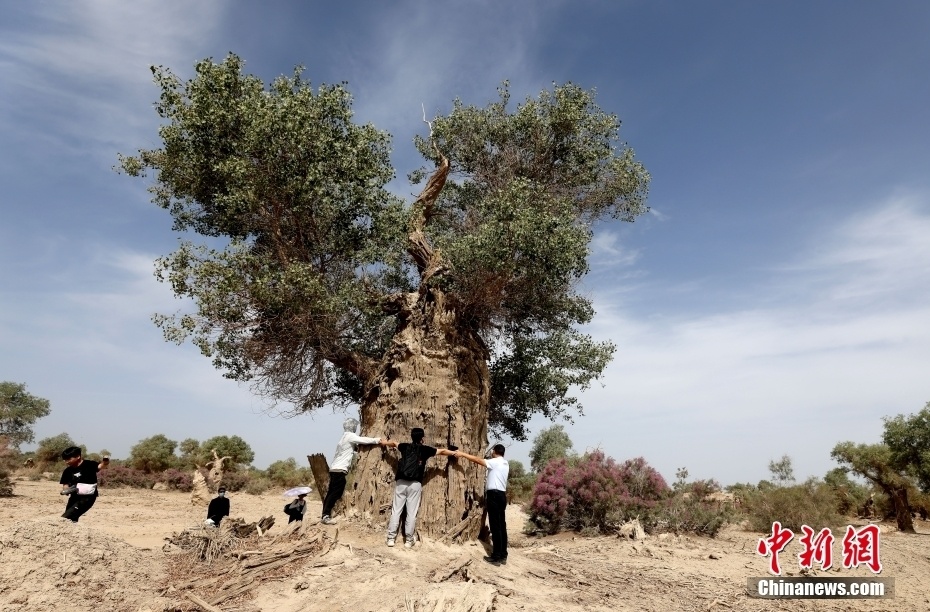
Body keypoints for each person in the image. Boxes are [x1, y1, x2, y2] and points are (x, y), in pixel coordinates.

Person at [383, 427, 453, 548]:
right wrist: (454, 453)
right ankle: (409, 541)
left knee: (396, 511)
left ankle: (391, 539)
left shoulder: (404, 446)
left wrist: (383, 442)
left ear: (411, 436)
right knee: (411, 513)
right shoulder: (425, 450)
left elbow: (394, 443)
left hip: (400, 483)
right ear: (422, 438)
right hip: (414, 484)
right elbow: (442, 451)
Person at [321, 418, 387, 525]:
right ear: (351, 426)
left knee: (331, 493)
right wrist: (377, 440)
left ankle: (325, 514)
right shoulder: (351, 436)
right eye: (354, 426)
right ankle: (326, 516)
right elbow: (364, 440)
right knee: (335, 493)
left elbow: (352, 449)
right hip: (340, 469)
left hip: (334, 468)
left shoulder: (343, 438)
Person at [454, 444, 509, 563]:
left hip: (494, 495)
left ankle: (496, 556)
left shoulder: (494, 462)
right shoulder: (505, 463)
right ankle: (503, 554)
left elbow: (478, 460)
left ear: (494, 452)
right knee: (501, 525)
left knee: (495, 525)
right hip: (502, 495)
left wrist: (462, 454)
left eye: (492, 451)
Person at [59, 446, 110, 523]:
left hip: (87, 498)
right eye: (65, 459)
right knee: (72, 519)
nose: (66, 461)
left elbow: (101, 466)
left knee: (66, 518)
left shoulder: (90, 464)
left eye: (69, 459)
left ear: (78, 457)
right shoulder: (67, 471)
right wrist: (67, 490)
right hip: (74, 498)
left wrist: (105, 462)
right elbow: (65, 485)